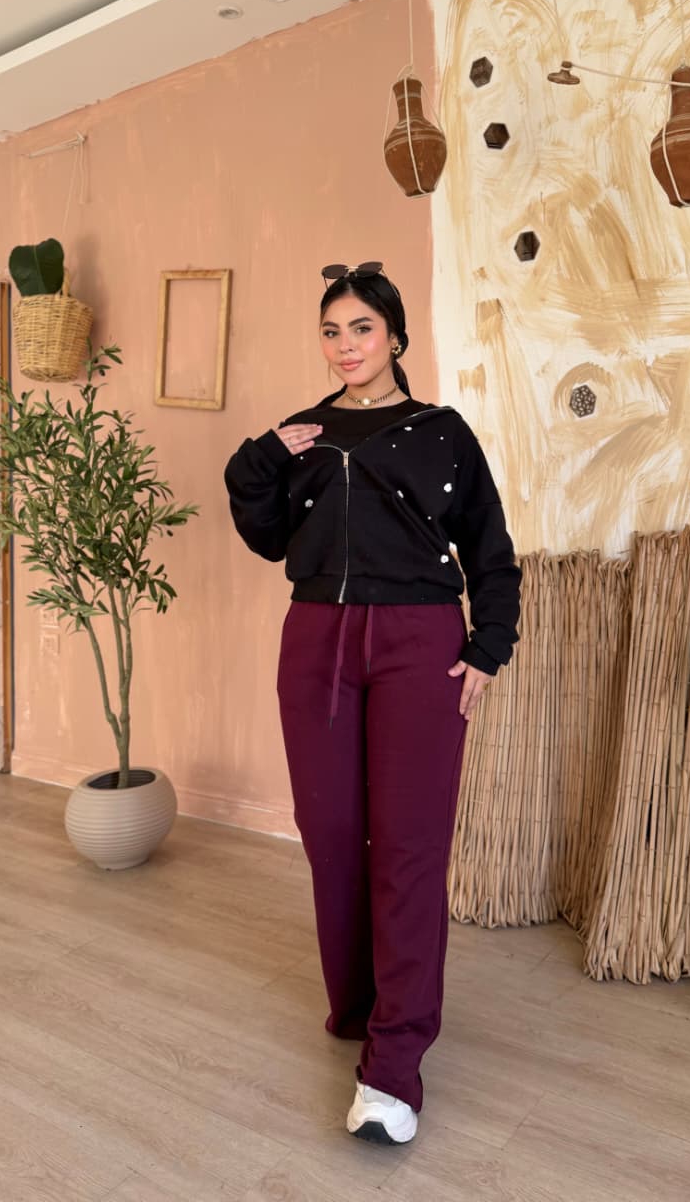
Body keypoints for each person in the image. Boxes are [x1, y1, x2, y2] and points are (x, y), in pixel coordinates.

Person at [224, 262, 520, 1145]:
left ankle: (393, 1068)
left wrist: (487, 646)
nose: (345, 345)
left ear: (394, 336)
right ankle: (358, 1007)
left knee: (407, 848)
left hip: (417, 644)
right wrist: (262, 456)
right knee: (329, 838)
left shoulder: (441, 433)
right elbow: (265, 534)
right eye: (331, 330)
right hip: (316, 639)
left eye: (360, 328)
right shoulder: (305, 434)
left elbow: (490, 548)